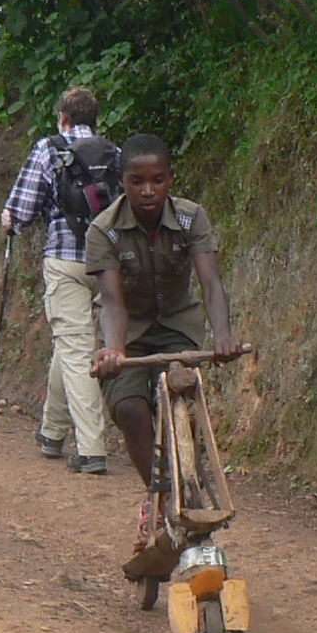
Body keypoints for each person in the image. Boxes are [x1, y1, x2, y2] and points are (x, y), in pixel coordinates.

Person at [88, 133, 241, 500]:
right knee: (129, 408)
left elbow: (211, 284)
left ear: (170, 178)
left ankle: (191, 471)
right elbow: (112, 302)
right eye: (136, 181)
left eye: (157, 180)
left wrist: (223, 335)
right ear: (122, 181)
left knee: (183, 392)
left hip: (178, 328)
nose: (147, 191)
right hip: (130, 335)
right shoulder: (103, 230)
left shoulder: (191, 219)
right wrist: (113, 350)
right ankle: (161, 498)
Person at [3, 86, 113, 475]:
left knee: (77, 347)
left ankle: (91, 448)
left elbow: (20, 211)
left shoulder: (49, 148)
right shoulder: (111, 152)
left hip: (65, 260)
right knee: (72, 344)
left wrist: (10, 221)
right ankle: (51, 432)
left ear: (63, 117)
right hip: (108, 265)